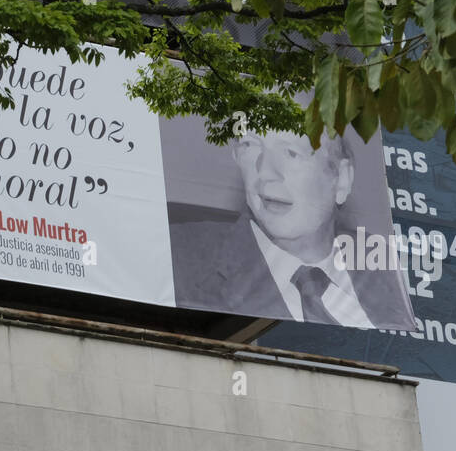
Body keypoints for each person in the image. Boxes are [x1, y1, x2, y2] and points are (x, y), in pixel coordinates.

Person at [170, 130, 413, 329]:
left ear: (341, 179)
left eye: (291, 152)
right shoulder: (179, 258)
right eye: (250, 146)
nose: (265, 172)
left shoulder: (390, 268)